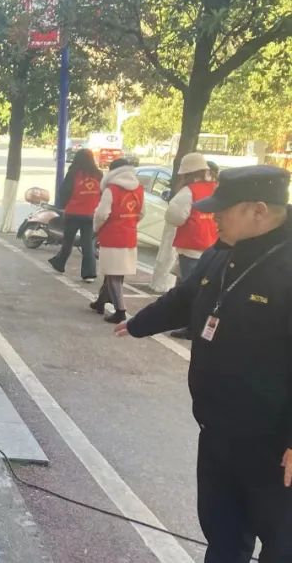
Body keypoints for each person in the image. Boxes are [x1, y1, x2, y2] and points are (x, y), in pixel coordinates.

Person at [116, 165, 292, 562]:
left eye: (223, 210)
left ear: (259, 210)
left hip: (273, 446)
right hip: (217, 430)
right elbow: (186, 297)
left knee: (281, 544)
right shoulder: (223, 253)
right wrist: (140, 324)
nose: (214, 218)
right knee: (223, 533)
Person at [164, 153, 219, 339]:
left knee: (191, 288)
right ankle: (186, 320)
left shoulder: (188, 191)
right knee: (199, 287)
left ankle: (191, 326)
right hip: (214, 246)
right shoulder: (216, 188)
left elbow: (175, 217)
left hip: (192, 247)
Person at [90, 158, 143, 324]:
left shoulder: (111, 190)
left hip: (112, 236)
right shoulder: (139, 189)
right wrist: (129, 223)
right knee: (116, 272)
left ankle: (120, 311)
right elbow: (142, 213)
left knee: (113, 275)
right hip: (129, 235)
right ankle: (101, 301)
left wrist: (96, 228)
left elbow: (102, 214)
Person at [48, 149, 101, 282]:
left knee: (68, 241)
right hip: (91, 214)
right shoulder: (98, 174)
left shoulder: (73, 173)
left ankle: (59, 264)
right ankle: (89, 274)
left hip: (73, 213)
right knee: (87, 244)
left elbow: (64, 191)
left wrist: (64, 205)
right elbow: (102, 193)